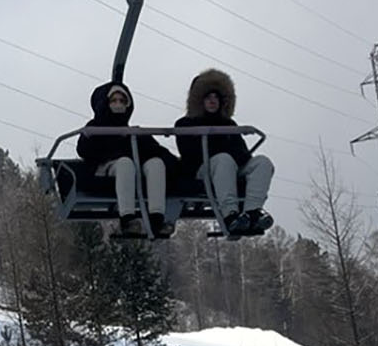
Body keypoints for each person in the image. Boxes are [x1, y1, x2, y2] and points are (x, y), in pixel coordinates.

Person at [173, 68, 274, 237]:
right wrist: (221, 148)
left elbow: (242, 154)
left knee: (262, 162)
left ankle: (253, 211)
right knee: (223, 159)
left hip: (230, 167)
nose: (213, 101)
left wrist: (232, 151)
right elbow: (190, 154)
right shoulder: (185, 124)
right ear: (199, 100)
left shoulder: (229, 125)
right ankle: (230, 213)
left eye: (216, 98)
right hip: (202, 170)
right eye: (208, 98)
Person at [77, 81, 173, 238]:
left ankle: (157, 218)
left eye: (122, 101)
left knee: (156, 163)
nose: (118, 105)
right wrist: (108, 146)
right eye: (114, 101)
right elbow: (83, 149)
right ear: (105, 103)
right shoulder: (96, 128)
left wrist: (172, 164)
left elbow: (156, 151)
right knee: (125, 164)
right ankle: (127, 218)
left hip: (133, 168)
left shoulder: (132, 134)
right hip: (107, 169)